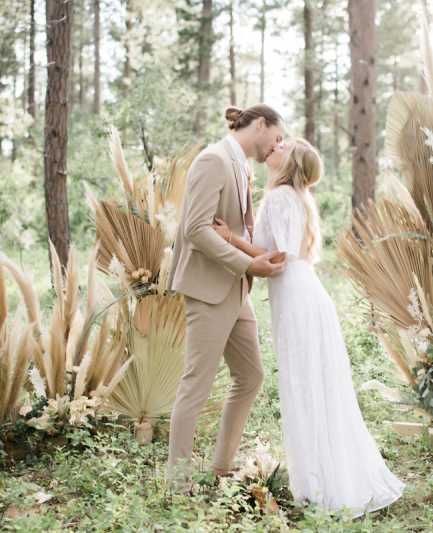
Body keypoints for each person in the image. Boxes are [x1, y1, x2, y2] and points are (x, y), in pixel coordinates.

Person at [212, 138, 405, 517]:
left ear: (292, 161)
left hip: (299, 299)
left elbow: (278, 257)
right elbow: (272, 247)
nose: (275, 145)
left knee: (304, 385)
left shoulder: (283, 195)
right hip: (305, 295)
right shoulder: (293, 197)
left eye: (284, 145)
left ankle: (319, 485)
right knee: (313, 385)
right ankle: (321, 478)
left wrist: (229, 239)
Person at [165, 104, 286, 492]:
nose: (278, 147)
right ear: (261, 125)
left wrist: (252, 257)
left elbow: (232, 228)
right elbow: (196, 229)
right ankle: (179, 485)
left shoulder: (241, 165)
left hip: (236, 287)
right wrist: (249, 265)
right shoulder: (212, 159)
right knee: (196, 384)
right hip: (208, 288)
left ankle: (222, 467)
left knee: (250, 375)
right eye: (278, 138)